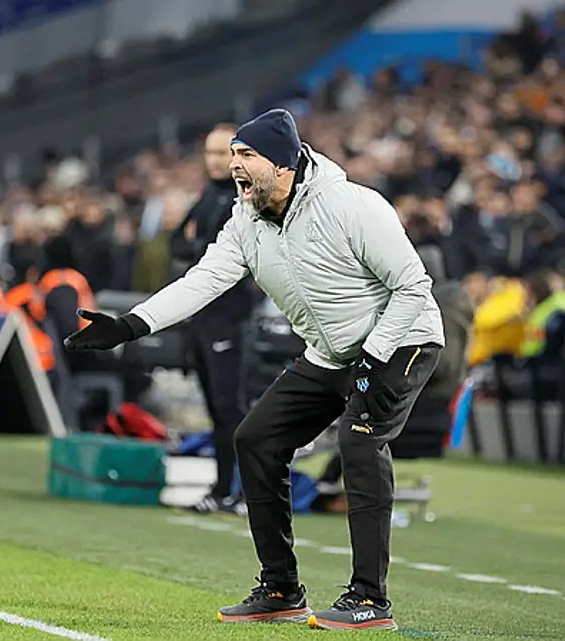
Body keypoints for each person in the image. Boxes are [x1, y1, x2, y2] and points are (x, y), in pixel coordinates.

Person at [65, 108, 444, 631]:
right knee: (256, 439)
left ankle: (369, 598)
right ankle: (281, 588)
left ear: (284, 164)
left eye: (246, 155)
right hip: (331, 353)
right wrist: (132, 325)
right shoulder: (245, 218)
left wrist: (374, 357)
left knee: (360, 443)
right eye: (232, 154)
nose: (233, 165)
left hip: (402, 342)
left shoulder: (352, 205)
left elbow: (413, 288)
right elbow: (205, 279)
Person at [168, 123, 256, 515]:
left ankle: (238, 490)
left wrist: (195, 246)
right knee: (217, 410)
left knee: (231, 408)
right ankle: (222, 488)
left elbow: (212, 253)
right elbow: (176, 242)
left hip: (229, 318)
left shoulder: (243, 199)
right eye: (211, 153)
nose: (217, 161)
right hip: (203, 320)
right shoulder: (209, 196)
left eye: (225, 153)